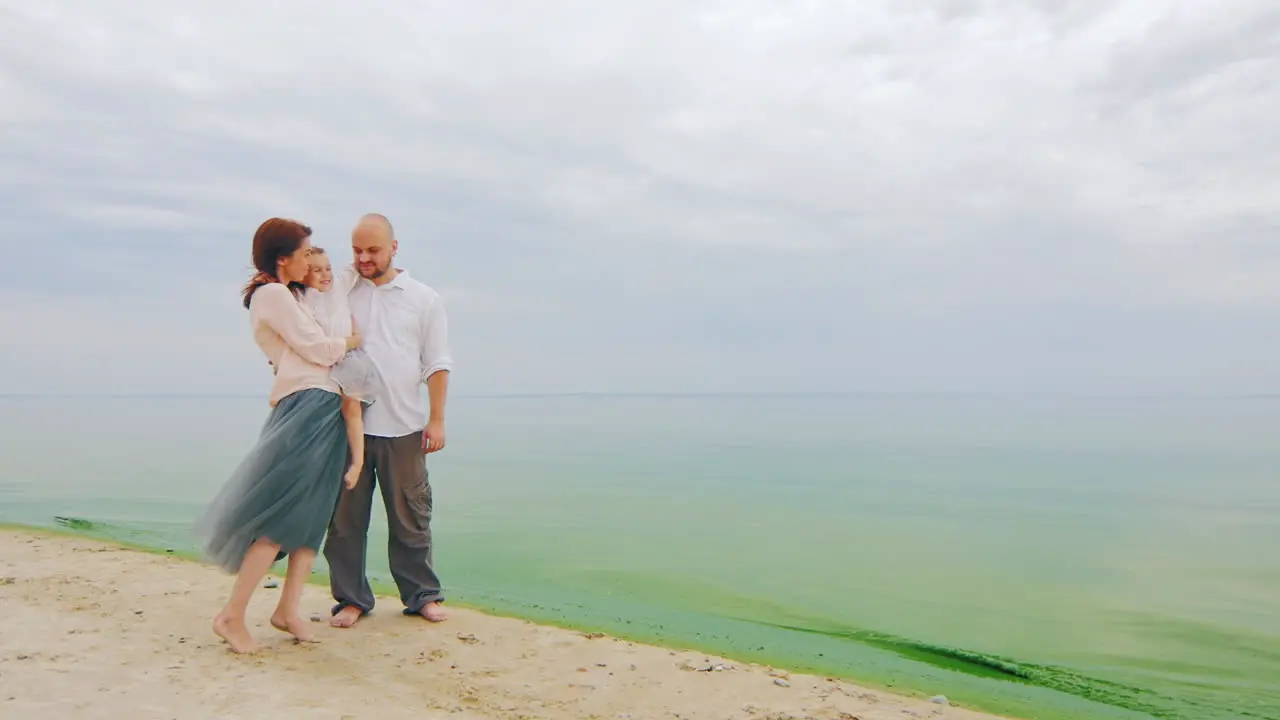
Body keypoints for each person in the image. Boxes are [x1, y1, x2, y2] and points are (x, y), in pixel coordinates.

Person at [194, 218, 361, 653]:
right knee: (280, 516)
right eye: (305, 253)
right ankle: (231, 616)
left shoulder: (292, 294)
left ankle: (288, 609)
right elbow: (320, 348)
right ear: (282, 258)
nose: (311, 260)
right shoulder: (272, 295)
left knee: (311, 517)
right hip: (306, 404)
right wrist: (351, 341)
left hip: (324, 403)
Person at [324, 213, 453, 628]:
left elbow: (437, 364)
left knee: (412, 519)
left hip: (405, 428)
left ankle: (422, 596)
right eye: (357, 250)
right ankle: (351, 598)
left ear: (394, 247)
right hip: (347, 429)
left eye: (372, 250)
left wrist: (437, 421)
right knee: (344, 524)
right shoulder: (342, 293)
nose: (363, 258)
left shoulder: (423, 298)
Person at [301, 246, 386, 490]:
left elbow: (356, 263)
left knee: (351, 409)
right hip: (327, 363)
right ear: (303, 275)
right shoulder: (303, 301)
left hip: (349, 359)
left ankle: (357, 463)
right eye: (316, 271)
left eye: (327, 268)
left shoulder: (338, 286)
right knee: (329, 413)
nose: (325, 274)